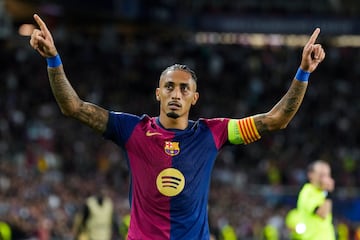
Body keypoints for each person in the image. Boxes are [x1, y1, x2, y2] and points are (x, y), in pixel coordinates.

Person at [29, 13, 325, 239]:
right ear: (158, 93)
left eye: (184, 89)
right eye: (169, 87)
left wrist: (303, 72)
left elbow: (276, 120)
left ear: (194, 98)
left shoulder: (213, 133)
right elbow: (73, 107)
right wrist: (53, 60)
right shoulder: (132, 129)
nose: (176, 94)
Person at [296, 160, 336, 240]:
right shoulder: (308, 192)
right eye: (321, 175)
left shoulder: (322, 193)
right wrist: (329, 192)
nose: (325, 179)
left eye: (327, 175)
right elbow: (322, 214)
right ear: (310, 175)